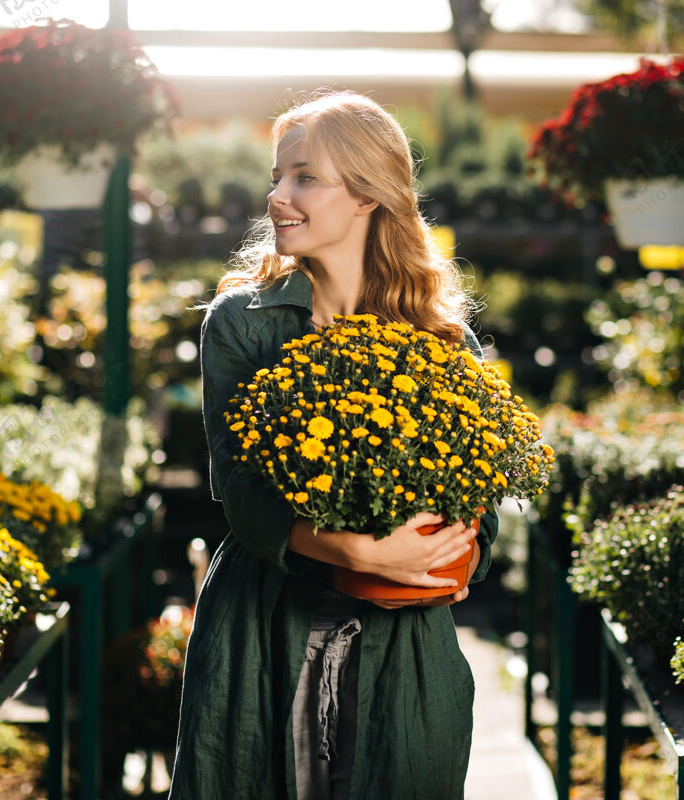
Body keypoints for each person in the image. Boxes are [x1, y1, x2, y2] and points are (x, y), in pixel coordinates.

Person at [168, 91, 499, 800]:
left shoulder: (443, 341)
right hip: (262, 634)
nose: (278, 197)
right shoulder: (244, 325)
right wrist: (353, 551)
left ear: (368, 197)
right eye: (277, 177)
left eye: (304, 178)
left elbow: (483, 512)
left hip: (404, 651)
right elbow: (239, 492)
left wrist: (450, 553)